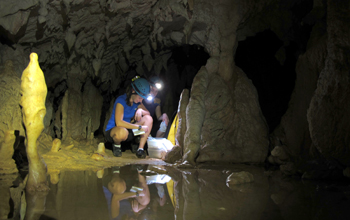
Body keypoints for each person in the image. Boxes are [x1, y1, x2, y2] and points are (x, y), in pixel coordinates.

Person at [104, 77, 153, 158]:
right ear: (133, 91)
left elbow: (148, 113)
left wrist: (140, 110)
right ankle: (117, 145)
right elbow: (119, 122)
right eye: (140, 97)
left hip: (127, 131)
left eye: (142, 99)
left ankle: (140, 149)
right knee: (122, 132)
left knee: (148, 118)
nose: (141, 100)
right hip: (115, 131)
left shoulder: (137, 102)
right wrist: (139, 127)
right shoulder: (121, 100)